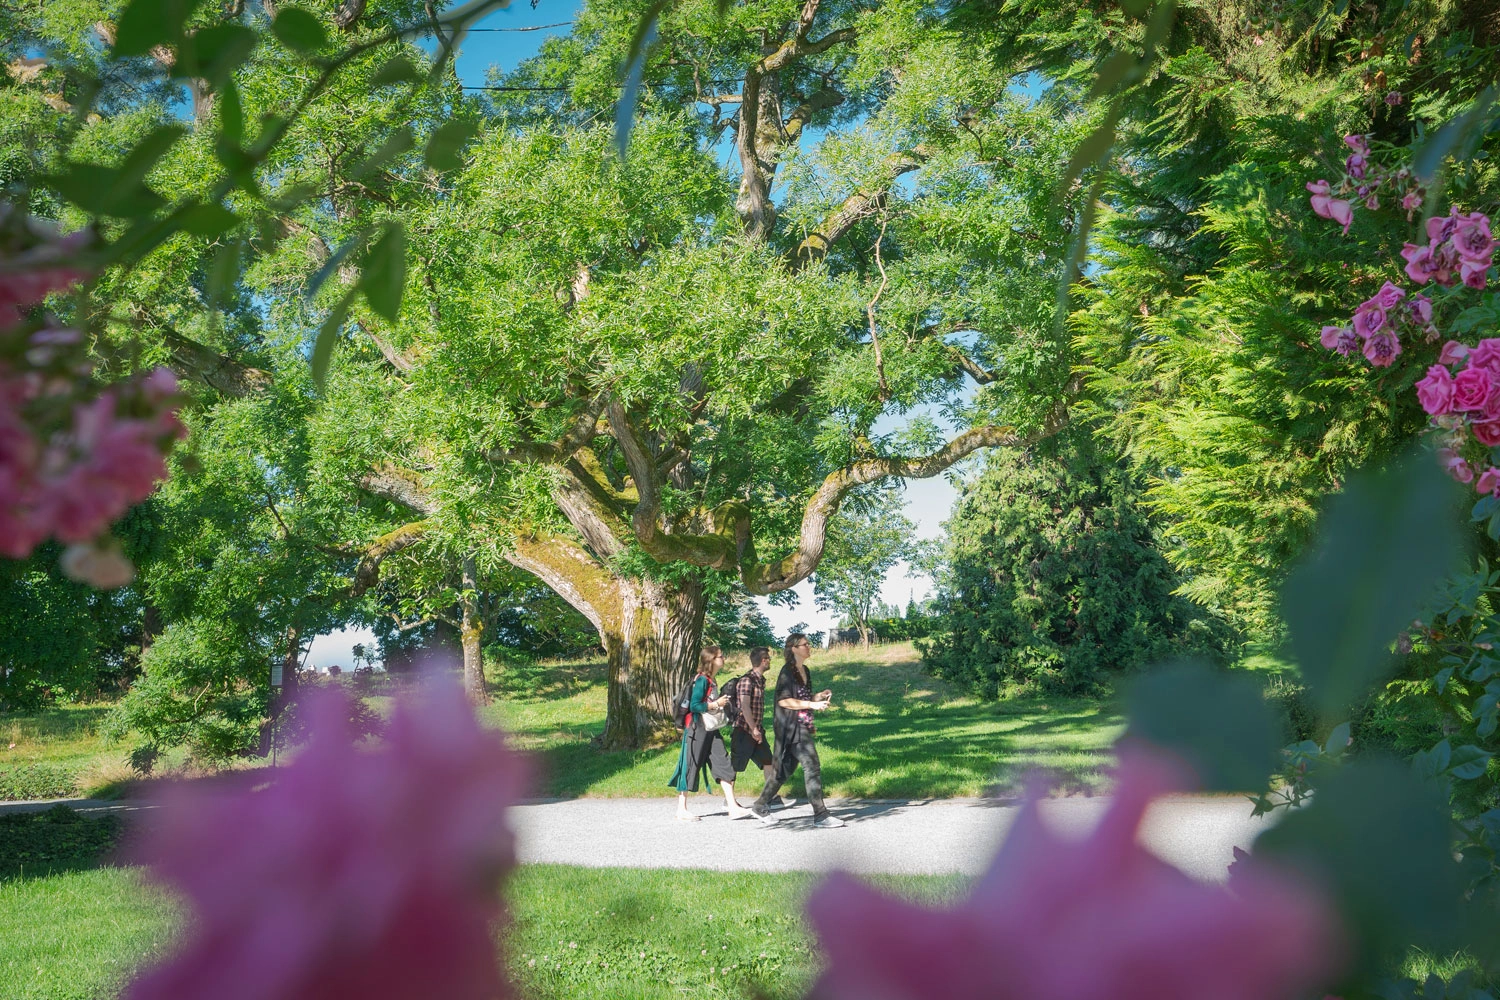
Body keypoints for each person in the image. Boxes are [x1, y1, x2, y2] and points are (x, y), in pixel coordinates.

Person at [667, 645, 771, 823]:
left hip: (711, 731)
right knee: (690, 766)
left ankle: (732, 807)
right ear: (711, 660)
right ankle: (681, 809)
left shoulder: (712, 680)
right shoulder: (702, 680)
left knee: (723, 763)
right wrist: (716, 704)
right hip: (696, 729)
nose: (723, 659)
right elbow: (694, 706)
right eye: (720, 657)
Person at [751, 633, 845, 828]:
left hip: (799, 724)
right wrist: (811, 705)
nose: (808, 647)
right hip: (790, 727)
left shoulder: (805, 670)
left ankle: (760, 805)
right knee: (812, 765)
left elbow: (802, 696)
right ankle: (820, 814)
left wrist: (817, 697)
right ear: (793, 648)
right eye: (804, 644)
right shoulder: (787, 672)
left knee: (783, 771)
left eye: (808, 644)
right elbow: (784, 700)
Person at [727, 646, 796, 810]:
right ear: (763, 661)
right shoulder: (747, 680)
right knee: (734, 766)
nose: (770, 661)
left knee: (768, 763)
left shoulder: (760, 680)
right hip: (744, 731)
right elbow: (744, 706)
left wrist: (757, 730)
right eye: (768, 658)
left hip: (756, 731)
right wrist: (753, 729)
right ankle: (728, 800)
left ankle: (771, 798)